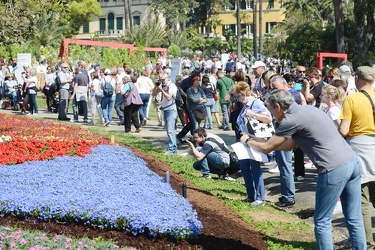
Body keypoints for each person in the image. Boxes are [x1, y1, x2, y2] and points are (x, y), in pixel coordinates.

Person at [241, 89, 366, 249]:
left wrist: (246, 141)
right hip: (352, 162)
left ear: (278, 106)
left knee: (322, 221)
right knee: (354, 217)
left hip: (333, 168)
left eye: (270, 109)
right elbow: (287, 145)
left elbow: (266, 148)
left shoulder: (290, 120)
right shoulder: (308, 110)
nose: (270, 114)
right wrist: (256, 139)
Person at [338, 66, 375, 250]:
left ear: (357, 79)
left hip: (359, 150)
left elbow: (344, 131)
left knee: (361, 201)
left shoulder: (351, 99)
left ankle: (367, 245)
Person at [234, 82, 273, 207]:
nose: (238, 99)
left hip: (254, 140)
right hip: (244, 140)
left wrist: (254, 115)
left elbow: (268, 118)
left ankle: (260, 198)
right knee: (245, 167)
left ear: (244, 95)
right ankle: (251, 195)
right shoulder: (246, 105)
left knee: (255, 168)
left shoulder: (256, 103)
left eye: (238, 96)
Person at [152, 72, 178, 156]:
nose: (162, 81)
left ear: (167, 78)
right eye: (160, 80)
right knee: (168, 130)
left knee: (170, 130)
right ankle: (173, 147)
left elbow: (169, 97)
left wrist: (162, 89)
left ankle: (172, 148)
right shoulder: (162, 85)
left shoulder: (172, 86)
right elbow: (153, 94)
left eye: (163, 80)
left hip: (171, 110)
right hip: (166, 110)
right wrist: (156, 87)